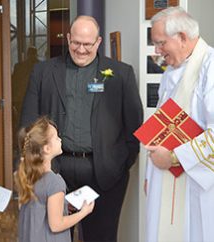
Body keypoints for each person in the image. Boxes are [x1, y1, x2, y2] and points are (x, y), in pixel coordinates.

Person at [19, 15, 143, 242]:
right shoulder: (43, 72)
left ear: (98, 42)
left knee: (102, 237)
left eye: (88, 44)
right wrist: (33, 165)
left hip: (105, 173)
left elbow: (134, 127)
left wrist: (121, 163)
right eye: (76, 42)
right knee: (51, 234)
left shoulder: (121, 74)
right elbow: (28, 122)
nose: (81, 49)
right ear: (68, 39)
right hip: (54, 170)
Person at [145, 7, 214, 242]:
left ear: (182, 37)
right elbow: (161, 125)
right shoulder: (170, 72)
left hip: (196, 184)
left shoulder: (210, 67)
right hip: (162, 177)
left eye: (161, 43)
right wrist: (149, 174)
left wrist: (174, 157)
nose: (157, 51)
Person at [15, 116, 94, 242]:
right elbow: (56, 225)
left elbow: (41, 205)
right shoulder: (55, 183)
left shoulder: (29, 175)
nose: (60, 140)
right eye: (57, 137)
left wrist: (65, 205)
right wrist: (83, 212)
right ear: (47, 149)